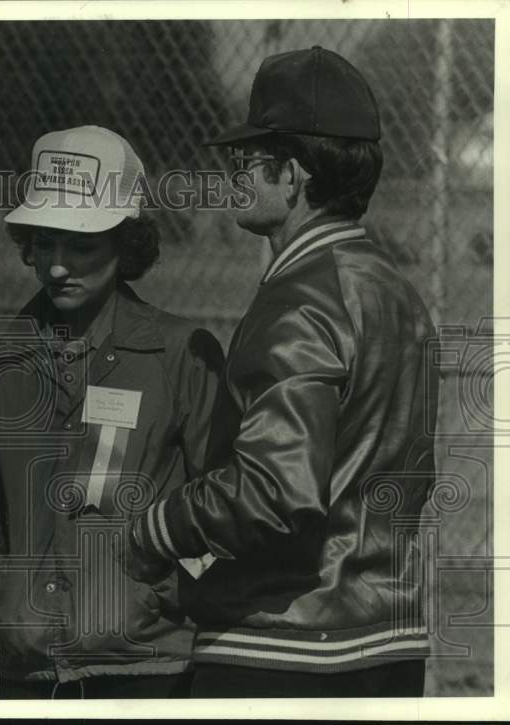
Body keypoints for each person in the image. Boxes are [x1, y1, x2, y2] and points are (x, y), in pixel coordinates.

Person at [123, 46, 439, 697]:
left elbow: (275, 492)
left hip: (283, 645)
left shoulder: (301, 294)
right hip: (388, 639)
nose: (232, 173)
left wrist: (156, 526)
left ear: (292, 175)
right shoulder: (397, 290)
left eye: (246, 161)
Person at [0, 126, 232, 699]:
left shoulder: (180, 355)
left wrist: (172, 596)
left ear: (126, 246)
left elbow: (226, 500)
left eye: (80, 246)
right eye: (44, 243)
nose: (56, 267)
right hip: (29, 671)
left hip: (148, 668)